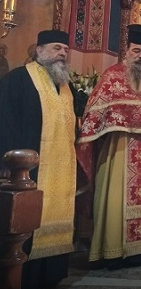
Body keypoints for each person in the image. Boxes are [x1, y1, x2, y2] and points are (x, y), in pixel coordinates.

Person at [76, 24, 141, 268]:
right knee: (116, 197)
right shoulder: (111, 76)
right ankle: (114, 249)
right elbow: (94, 112)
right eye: (136, 51)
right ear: (127, 51)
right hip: (117, 148)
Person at [0, 30, 76, 289]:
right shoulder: (18, 79)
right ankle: (26, 276)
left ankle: (51, 273)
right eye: (56, 48)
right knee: (27, 221)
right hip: (27, 169)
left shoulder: (65, 85)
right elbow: (5, 121)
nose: (62, 53)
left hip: (61, 166)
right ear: (39, 50)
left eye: (65, 50)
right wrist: (6, 163)